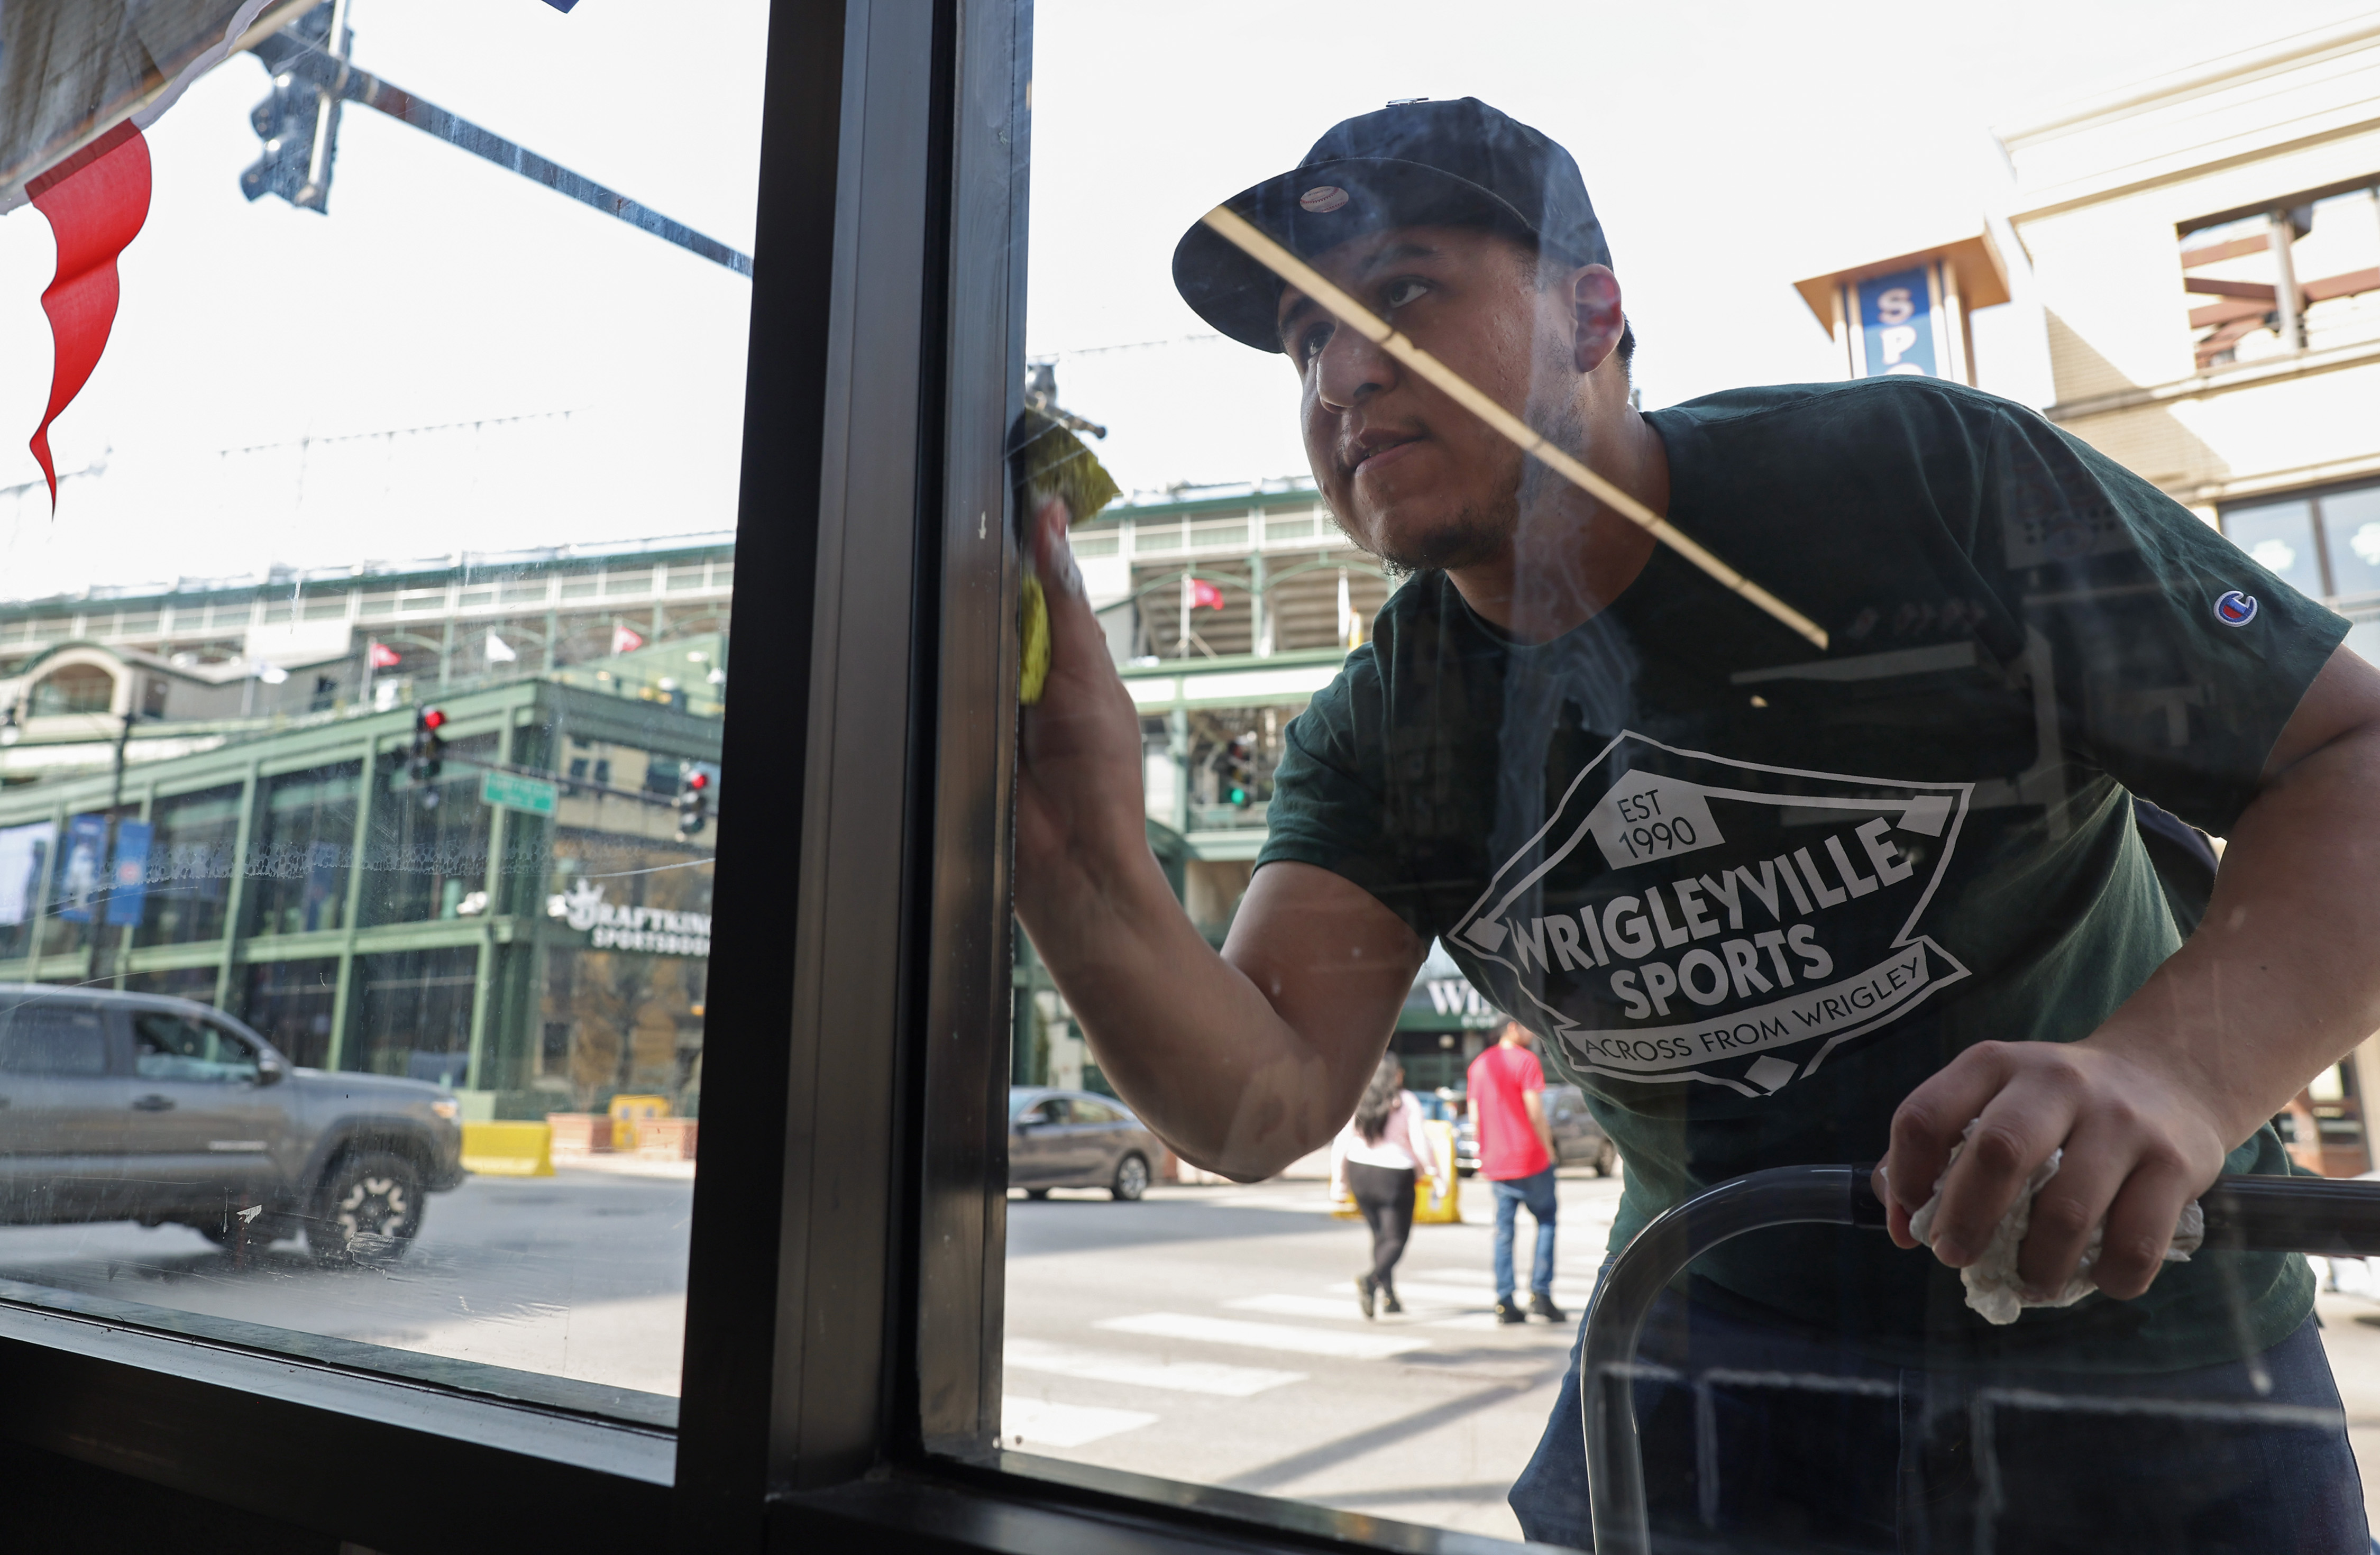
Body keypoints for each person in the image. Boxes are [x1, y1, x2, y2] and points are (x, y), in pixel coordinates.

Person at [1012, 95, 2380, 1551]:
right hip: (1713, 1338)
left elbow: (2347, 756)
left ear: (1589, 314)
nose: (1341, 375)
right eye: (1302, 345)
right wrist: (1070, 852)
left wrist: (2169, 1074)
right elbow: (1264, 1102)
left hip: (2137, 1336)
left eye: (1401, 295)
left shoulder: (1922, 482)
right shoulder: (1381, 723)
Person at [1329, 1054, 1448, 1318]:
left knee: (1380, 1237)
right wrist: (1436, 1175)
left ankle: (1390, 1296)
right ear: (1394, 1075)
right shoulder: (1406, 1101)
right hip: (1395, 1176)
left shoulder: (1359, 1099)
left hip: (1360, 1172)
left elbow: (1342, 1141)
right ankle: (1372, 1280)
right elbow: (1421, 1143)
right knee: (1395, 1239)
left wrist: (1339, 1183)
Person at [1467, 1020, 1562, 1324]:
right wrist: (1549, 1149)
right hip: (1530, 1157)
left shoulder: (1479, 1065)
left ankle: (1505, 1301)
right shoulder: (1526, 1061)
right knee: (1546, 1221)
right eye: (1527, 1026)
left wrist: (1485, 1151)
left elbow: (1474, 1115)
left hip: (1497, 1162)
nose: (1532, 1032)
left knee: (1504, 1232)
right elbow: (1535, 1111)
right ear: (1512, 1027)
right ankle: (1541, 1294)